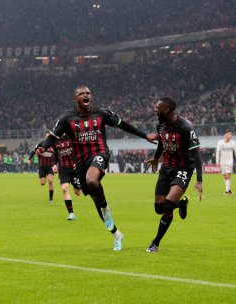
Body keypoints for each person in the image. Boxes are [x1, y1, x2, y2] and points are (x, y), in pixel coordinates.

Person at [41, 85, 157, 251]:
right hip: (81, 163)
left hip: (100, 153)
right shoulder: (67, 118)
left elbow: (123, 125)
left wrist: (145, 136)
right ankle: (116, 234)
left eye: (88, 93)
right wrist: (43, 148)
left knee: (92, 181)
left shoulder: (101, 113)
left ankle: (104, 204)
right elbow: (52, 137)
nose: (85, 95)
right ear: (76, 99)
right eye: (81, 94)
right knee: (95, 196)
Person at [144, 97, 203, 253]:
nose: (155, 110)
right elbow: (162, 144)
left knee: (168, 203)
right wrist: (156, 159)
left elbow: (196, 155)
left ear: (167, 109)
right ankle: (182, 204)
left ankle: (155, 243)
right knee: (159, 208)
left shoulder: (185, 127)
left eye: (158, 107)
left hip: (183, 168)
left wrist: (199, 180)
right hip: (166, 168)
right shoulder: (160, 125)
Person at [53, 134, 82, 221]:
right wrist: (55, 164)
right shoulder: (56, 141)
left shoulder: (72, 138)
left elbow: (79, 151)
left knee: (78, 192)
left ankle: (79, 185)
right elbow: (55, 154)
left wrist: (77, 162)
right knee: (65, 189)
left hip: (74, 168)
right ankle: (71, 214)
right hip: (63, 169)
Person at [27, 139, 56, 204]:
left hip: (50, 166)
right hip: (42, 166)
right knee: (42, 183)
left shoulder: (54, 145)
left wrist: (55, 164)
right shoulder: (41, 143)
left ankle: (51, 199)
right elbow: (34, 150)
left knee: (50, 181)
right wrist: (29, 159)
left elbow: (57, 154)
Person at [216, 130, 236, 195]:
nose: (230, 135)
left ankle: (226, 191)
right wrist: (217, 161)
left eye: (231, 134)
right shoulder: (220, 143)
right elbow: (218, 152)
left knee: (228, 175)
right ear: (225, 135)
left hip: (229, 161)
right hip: (222, 162)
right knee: (225, 176)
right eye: (229, 134)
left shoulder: (233, 143)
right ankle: (229, 190)